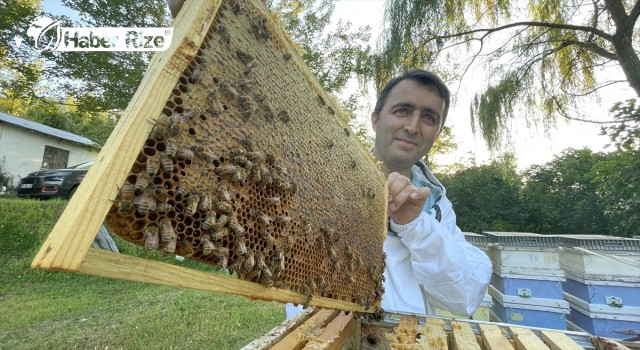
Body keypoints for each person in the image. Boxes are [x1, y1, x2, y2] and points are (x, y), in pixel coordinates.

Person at [287, 69, 492, 318]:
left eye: (429, 118)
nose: (413, 126)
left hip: (411, 342)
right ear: (375, 119)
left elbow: (464, 298)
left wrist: (415, 225)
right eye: (402, 110)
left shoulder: (438, 206)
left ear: (436, 134)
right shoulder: (321, 181)